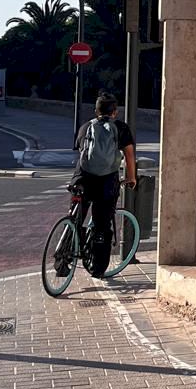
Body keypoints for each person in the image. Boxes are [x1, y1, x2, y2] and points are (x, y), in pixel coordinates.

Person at [70, 92, 137, 277]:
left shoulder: (85, 127)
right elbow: (129, 155)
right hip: (106, 181)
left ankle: (64, 257)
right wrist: (131, 177)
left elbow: (81, 152)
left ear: (96, 111)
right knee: (102, 223)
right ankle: (98, 268)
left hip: (82, 178)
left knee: (75, 216)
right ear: (115, 112)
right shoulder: (120, 128)